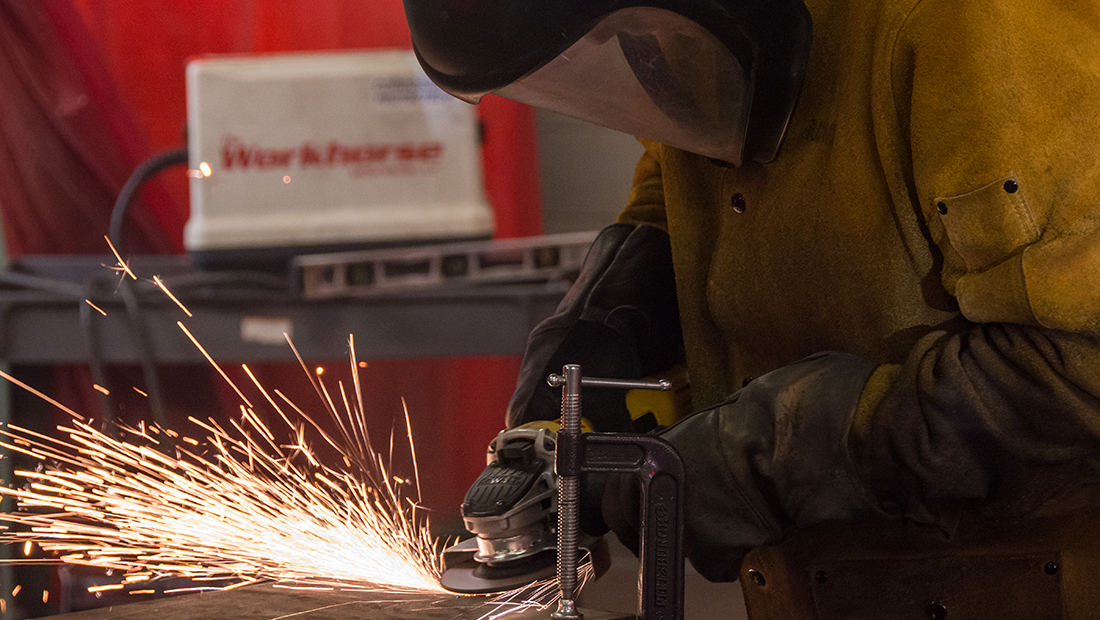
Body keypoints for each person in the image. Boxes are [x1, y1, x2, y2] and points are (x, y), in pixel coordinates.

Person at [404, 0, 1100, 614]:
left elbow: (1078, 371)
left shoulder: (981, 30)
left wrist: (771, 453)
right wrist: (592, 341)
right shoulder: (691, 42)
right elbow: (678, 182)